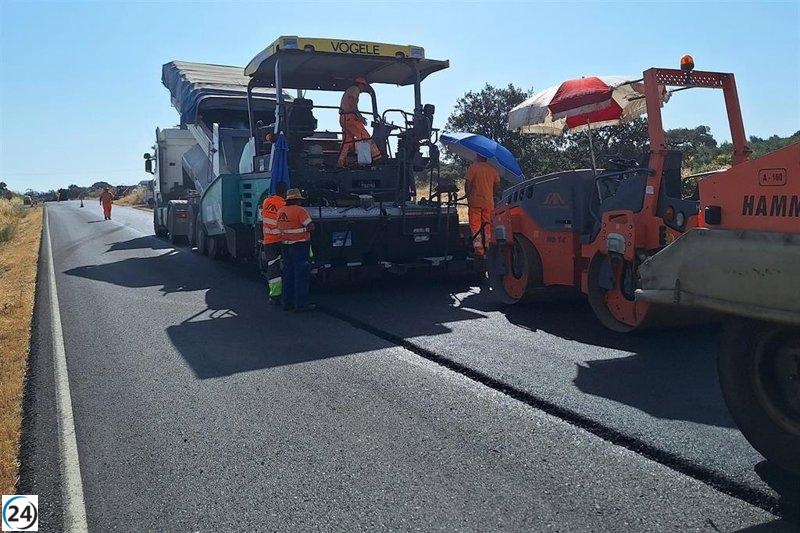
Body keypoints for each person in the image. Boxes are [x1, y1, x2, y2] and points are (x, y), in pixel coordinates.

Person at [276, 189, 315, 312]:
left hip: (285, 245)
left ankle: (287, 303)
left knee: (288, 274)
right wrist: (305, 230)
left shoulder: (281, 211)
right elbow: (311, 226)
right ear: (297, 200)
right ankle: (301, 304)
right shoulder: (300, 211)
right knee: (301, 275)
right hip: (299, 246)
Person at [337, 76, 382, 168]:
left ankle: (340, 161)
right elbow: (352, 101)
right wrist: (359, 116)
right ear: (361, 84)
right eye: (364, 86)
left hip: (344, 118)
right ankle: (377, 157)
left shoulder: (349, 90)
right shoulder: (355, 89)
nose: (363, 89)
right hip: (350, 118)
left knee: (347, 141)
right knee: (365, 136)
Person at [464, 155, 500, 257]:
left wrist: (467, 196)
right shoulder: (493, 169)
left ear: (478, 156)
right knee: (488, 225)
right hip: (488, 203)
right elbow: (497, 185)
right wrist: (491, 195)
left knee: (475, 226)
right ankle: (488, 247)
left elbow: (468, 184)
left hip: (475, 202)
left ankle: (479, 251)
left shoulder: (473, 168)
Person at [261, 182, 287, 305]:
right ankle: (288, 293)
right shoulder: (284, 205)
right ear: (285, 192)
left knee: (273, 268)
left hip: (269, 242)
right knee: (288, 265)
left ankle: (275, 295)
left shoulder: (266, 202)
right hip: (281, 241)